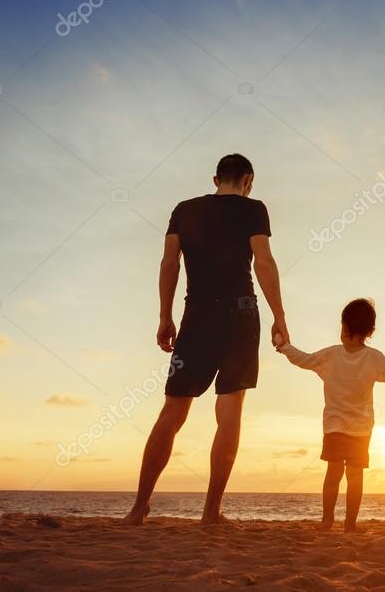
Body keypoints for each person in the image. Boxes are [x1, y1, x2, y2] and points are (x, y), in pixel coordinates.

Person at [122, 154, 289, 525]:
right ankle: (211, 511)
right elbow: (263, 260)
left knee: (173, 411)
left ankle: (138, 508)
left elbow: (169, 263)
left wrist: (165, 316)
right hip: (241, 313)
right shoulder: (253, 209)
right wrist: (280, 316)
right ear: (248, 179)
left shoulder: (184, 209)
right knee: (230, 412)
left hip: (195, 314)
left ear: (216, 178)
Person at [275, 298, 385, 532]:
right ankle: (349, 524)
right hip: (361, 429)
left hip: (335, 426)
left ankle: (328, 520)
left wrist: (283, 345)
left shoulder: (332, 355)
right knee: (355, 476)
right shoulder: (374, 358)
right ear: (370, 331)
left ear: (345, 327)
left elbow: (303, 359)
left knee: (334, 474)